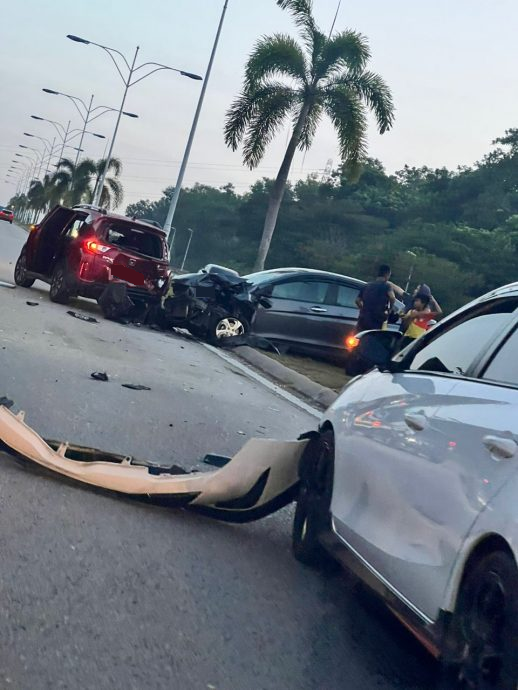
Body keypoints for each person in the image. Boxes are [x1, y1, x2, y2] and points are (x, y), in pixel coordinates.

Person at [355, 264, 396, 332]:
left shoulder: (366, 285)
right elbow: (392, 298)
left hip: (363, 318)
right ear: (387, 275)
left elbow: (357, 300)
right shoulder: (387, 286)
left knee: (360, 337)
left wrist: (363, 308)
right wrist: (390, 309)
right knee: (373, 338)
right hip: (377, 319)